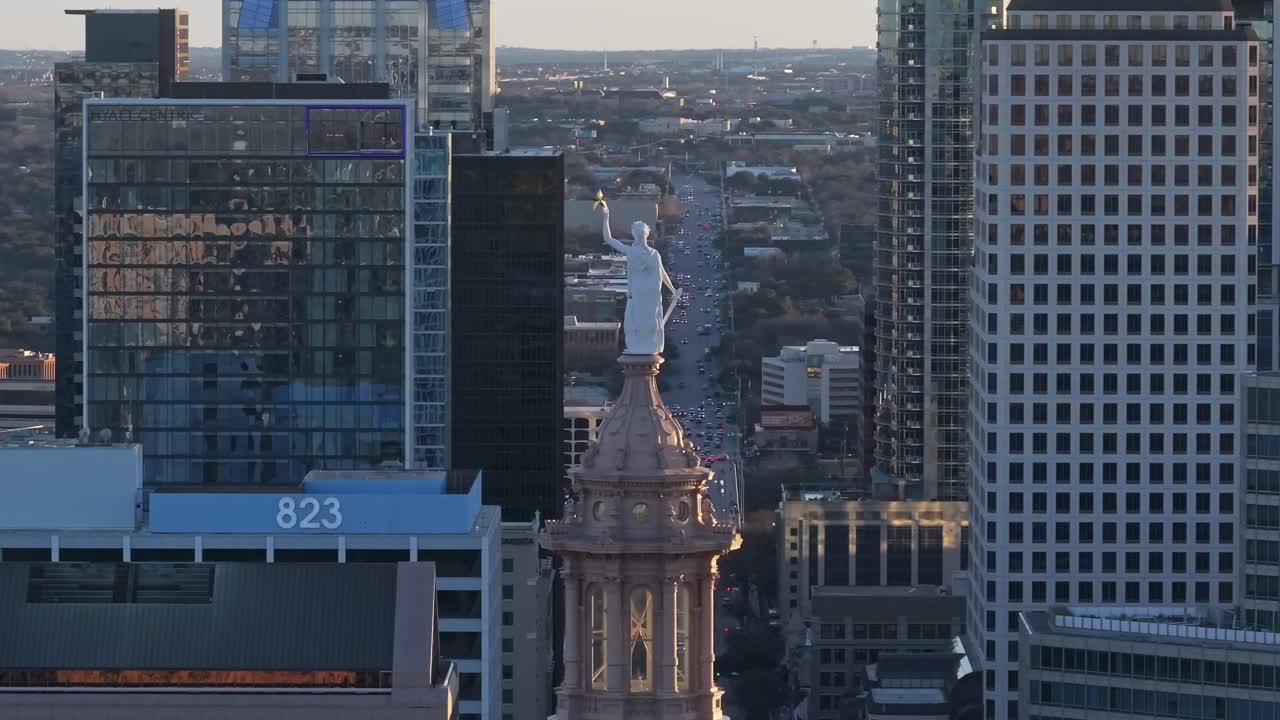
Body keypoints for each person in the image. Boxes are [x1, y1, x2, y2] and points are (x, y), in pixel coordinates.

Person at [601, 207, 678, 354]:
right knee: (650, 321)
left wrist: (606, 217)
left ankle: (638, 346)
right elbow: (662, 274)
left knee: (635, 321)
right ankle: (649, 345)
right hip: (652, 293)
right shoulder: (654, 254)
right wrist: (672, 290)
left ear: (635, 235)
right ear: (646, 235)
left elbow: (608, 239)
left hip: (638, 292)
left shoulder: (631, 251)